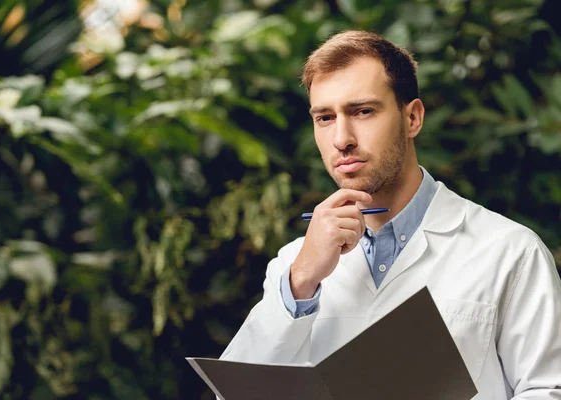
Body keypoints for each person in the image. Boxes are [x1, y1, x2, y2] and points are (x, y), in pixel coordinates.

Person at [219, 30, 561, 398]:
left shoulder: (510, 252)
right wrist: (301, 281)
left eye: (362, 111)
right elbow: (237, 392)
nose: (341, 139)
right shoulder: (294, 265)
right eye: (324, 118)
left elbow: (548, 390)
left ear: (412, 117)